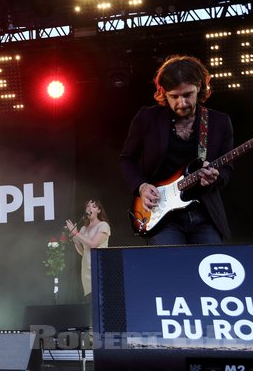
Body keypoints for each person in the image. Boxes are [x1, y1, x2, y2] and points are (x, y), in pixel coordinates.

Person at [119, 54, 233, 245]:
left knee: (208, 271)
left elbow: (227, 169)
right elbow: (127, 159)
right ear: (163, 93)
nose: (181, 103)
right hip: (164, 216)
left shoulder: (219, 122)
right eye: (174, 96)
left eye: (188, 95)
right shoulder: (147, 118)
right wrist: (142, 187)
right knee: (171, 271)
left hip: (205, 215)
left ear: (199, 88)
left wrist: (215, 177)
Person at [66, 199, 111, 302]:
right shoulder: (83, 228)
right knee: (90, 300)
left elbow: (93, 244)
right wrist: (74, 238)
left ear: (99, 210)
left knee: (100, 299)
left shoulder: (103, 225)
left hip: (99, 266)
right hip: (86, 269)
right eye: (88, 206)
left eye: (94, 207)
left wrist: (76, 233)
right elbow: (83, 251)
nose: (90, 208)